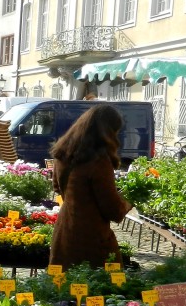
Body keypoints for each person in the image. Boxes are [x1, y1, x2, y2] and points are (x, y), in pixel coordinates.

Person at [48, 104, 133, 270]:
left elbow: (57, 187)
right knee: (98, 283)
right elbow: (113, 210)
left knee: (63, 281)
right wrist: (130, 199)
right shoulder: (99, 161)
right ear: (108, 132)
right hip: (91, 237)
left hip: (65, 231)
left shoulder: (63, 154)